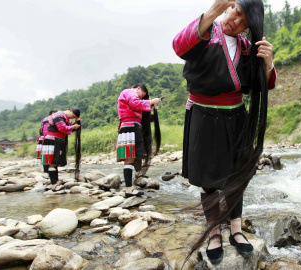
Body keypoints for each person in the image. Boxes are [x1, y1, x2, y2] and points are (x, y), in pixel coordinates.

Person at [173, 0, 277, 264]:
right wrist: (211, 13)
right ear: (227, 6)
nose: (237, 22)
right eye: (236, 12)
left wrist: (267, 64)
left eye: (245, 22)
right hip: (204, 116)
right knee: (209, 179)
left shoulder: (245, 47)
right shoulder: (205, 34)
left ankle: (236, 230)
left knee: (236, 176)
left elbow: (259, 86)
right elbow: (178, 46)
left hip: (236, 117)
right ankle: (214, 233)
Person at [116, 83, 163, 198]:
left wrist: (152, 107)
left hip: (129, 127)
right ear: (138, 89)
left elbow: (139, 109)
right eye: (143, 95)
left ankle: (129, 189)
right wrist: (152, 102)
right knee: (130, 159)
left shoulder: (127, 94)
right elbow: (135, 104)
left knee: (129, 159)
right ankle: (129, 189)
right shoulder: (130, 92)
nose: (141, 98)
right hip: (131, 127)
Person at [41, 108, 81, 191]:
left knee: (55, 162)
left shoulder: (66, 119)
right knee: (53, 162)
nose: (71, 118)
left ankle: (55, 183)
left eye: (73, 117)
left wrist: (75, 124)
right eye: (72, 116)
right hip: (53, 140)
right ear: (70, 111)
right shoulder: (58, 115)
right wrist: (73, 126)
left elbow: (68, 129)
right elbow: (62, 128)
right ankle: (54, 185)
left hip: (58, 140)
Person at [36, 110, 58, 175]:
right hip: (50, 138)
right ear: (53, 113)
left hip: (42, 138)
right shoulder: (51, 119)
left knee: (45, 155)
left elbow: (41, 130)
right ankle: (52, 171)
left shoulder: (43, 120)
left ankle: (46, 171)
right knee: (52, 154)